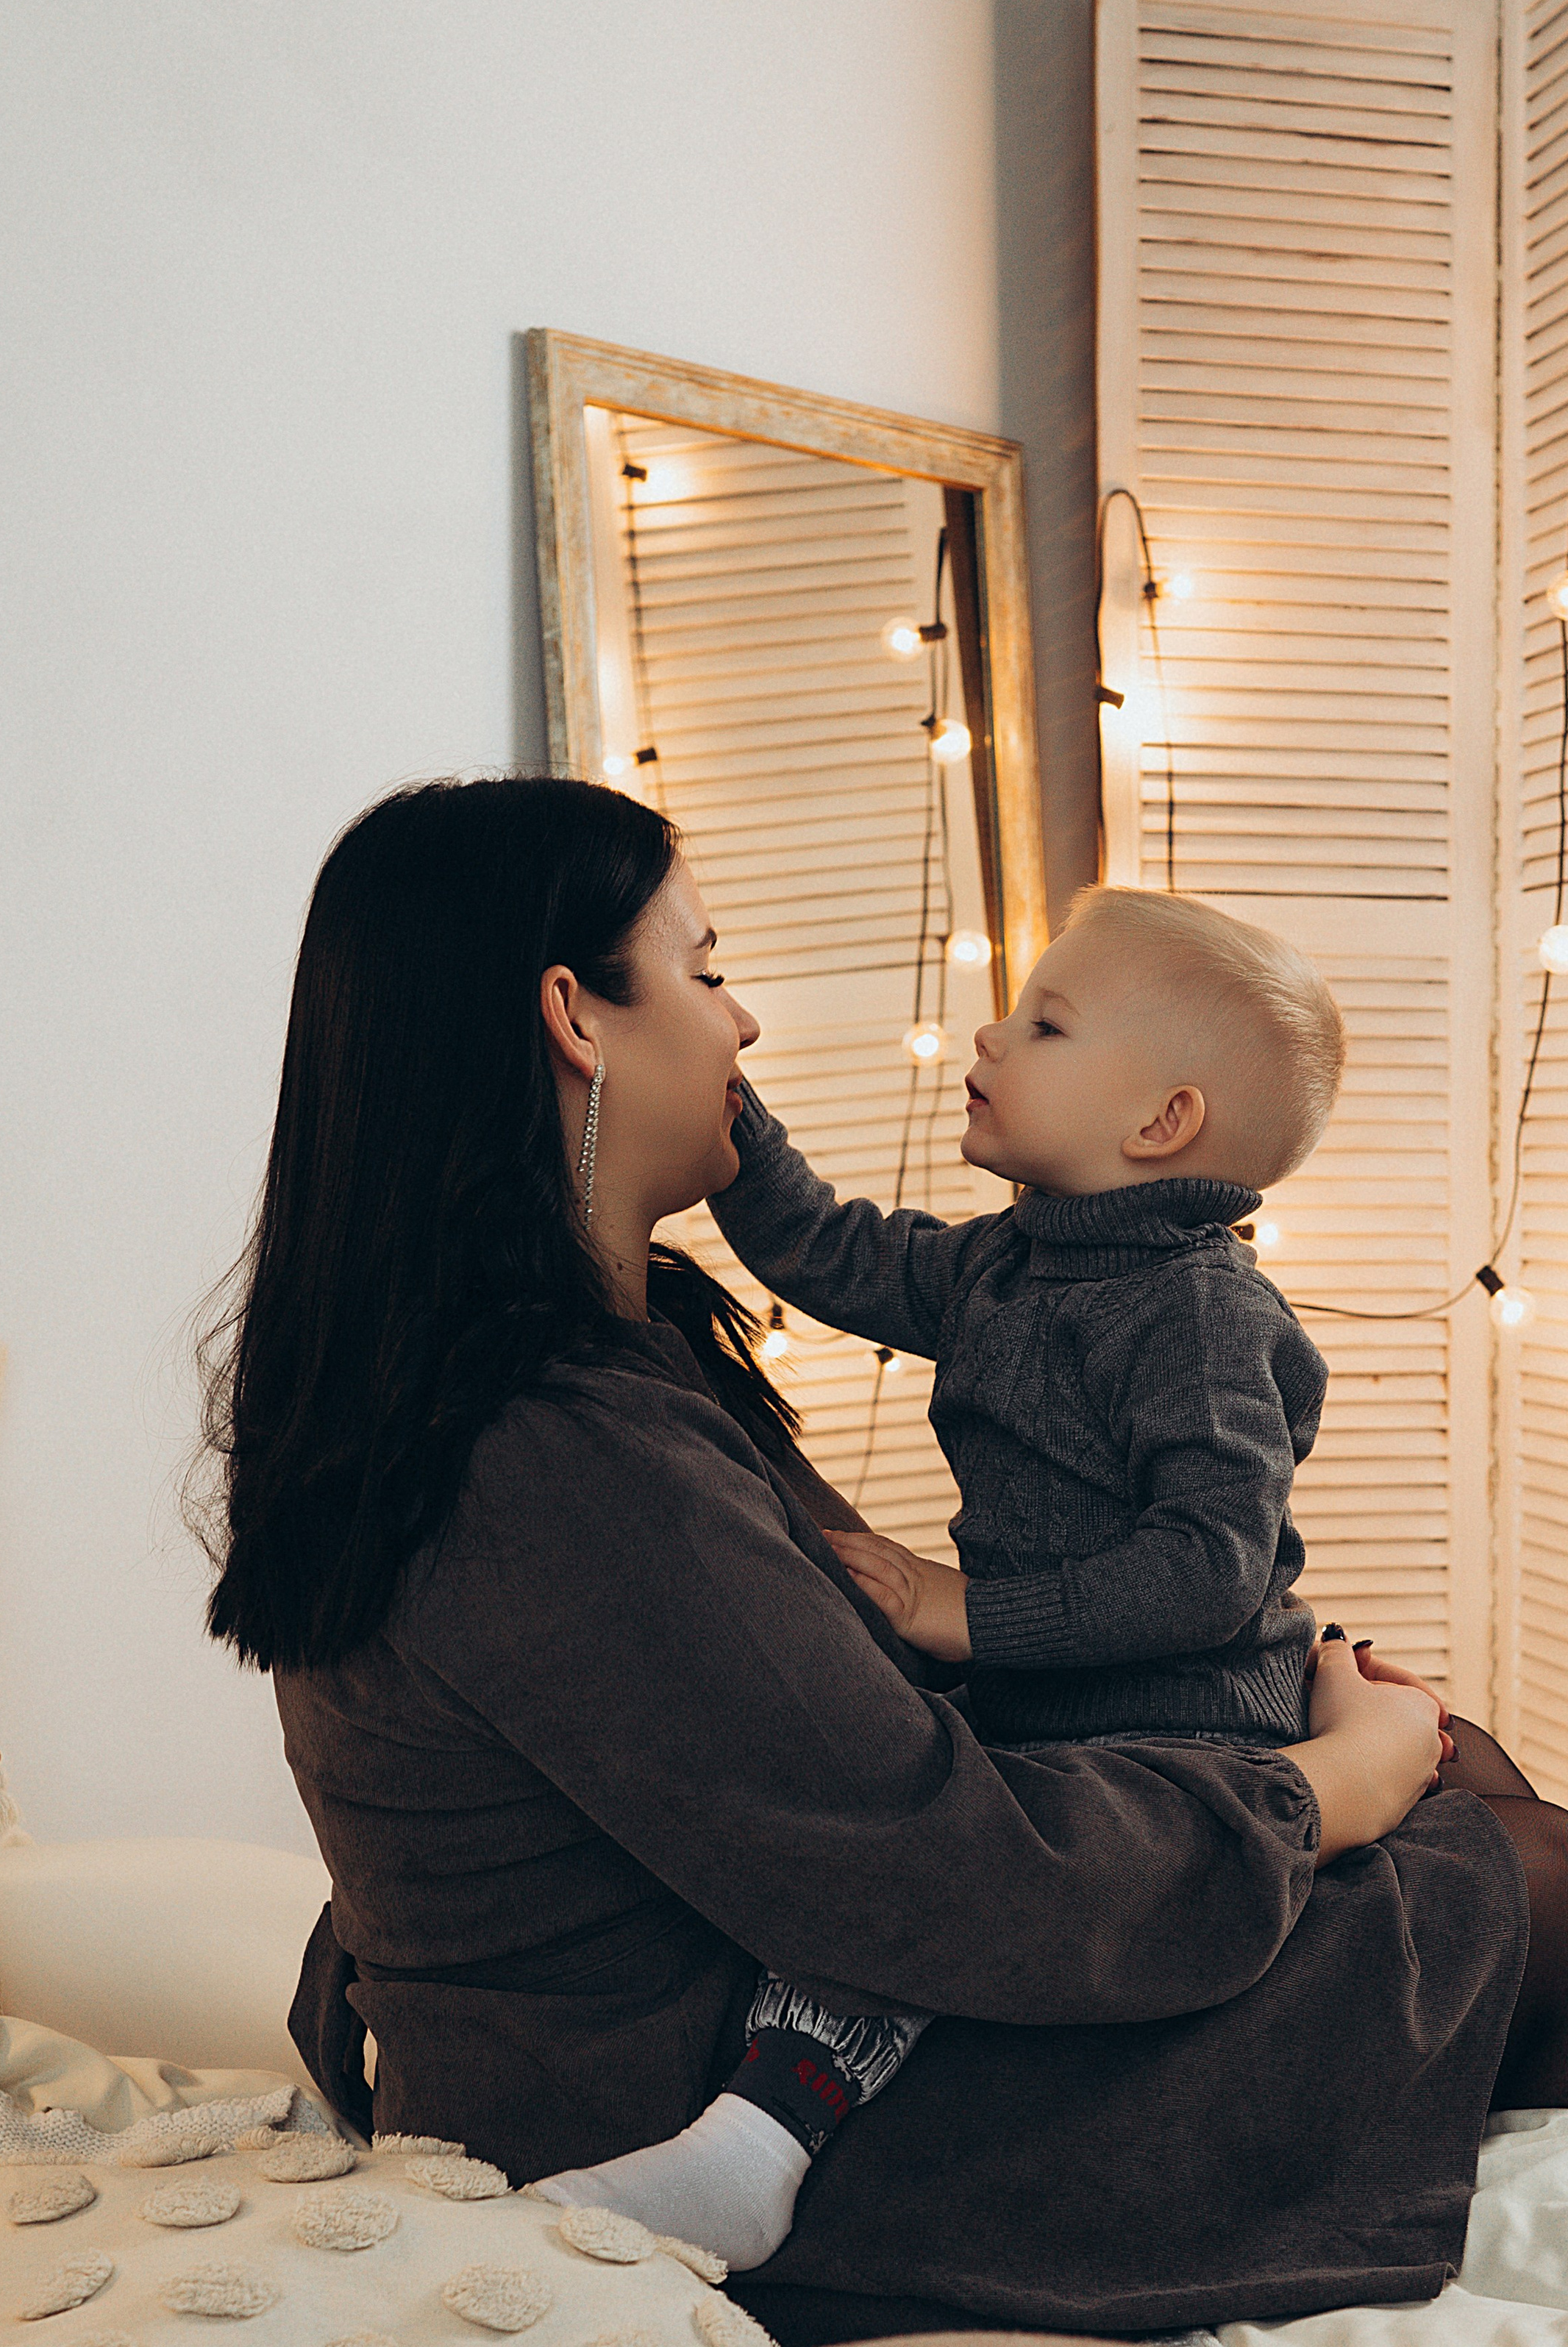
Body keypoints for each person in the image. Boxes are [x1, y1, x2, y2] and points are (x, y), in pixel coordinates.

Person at [199, 776, 1568, 2347]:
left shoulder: (567, 1362)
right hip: (712, 2108)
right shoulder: (558, 1453)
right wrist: (1324, 1789)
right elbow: (926, 1866)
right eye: (707, 970)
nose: (743, 1022)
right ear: (574, 1018)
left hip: (734, 1986)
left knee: (1463, 1770)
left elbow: (832, 1698)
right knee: (1546, 1878)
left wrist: (1284, 1695)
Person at [535, 886, 1405, 2266]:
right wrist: (728, 1103)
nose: (990, 1037)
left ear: (1162, 1123)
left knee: (959, 1881)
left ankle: (764, 2144)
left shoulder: (1199, 1311)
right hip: (1046, 1695)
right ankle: (765, 2141)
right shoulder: (1004, 1263)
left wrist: (965, 1612)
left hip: (1182, 1721)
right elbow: (824, 1248)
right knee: (894, 1862)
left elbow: (1210, 1573)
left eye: (1046, 1026)